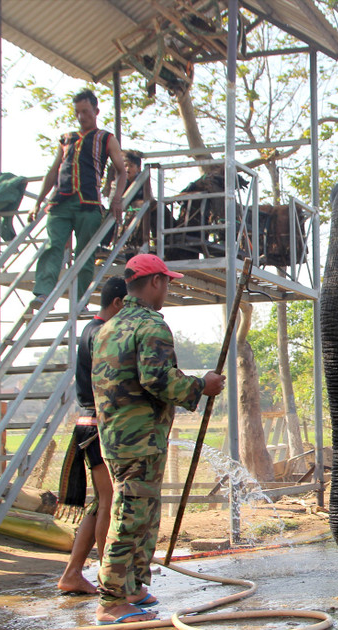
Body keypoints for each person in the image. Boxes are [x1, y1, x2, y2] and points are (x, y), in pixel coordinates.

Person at [91, 253, 225, 625]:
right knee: (131, 516)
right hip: (141, 438)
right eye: (167, 282)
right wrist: (202, 385)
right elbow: (158, 379)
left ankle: (133, 586)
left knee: (142, 513)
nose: (168, 288)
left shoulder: (108, 327)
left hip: (117, 437)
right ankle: (112, 600)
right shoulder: (151, 326)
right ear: (155, 283)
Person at [57, 277, 127, 595]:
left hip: (88, 423)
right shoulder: (103, 334)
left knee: (101, 501)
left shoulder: (89, 330)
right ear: (118, 304)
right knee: (109, 500)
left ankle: (74, 573)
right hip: (98, 425)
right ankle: (107, 575)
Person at [27, 89, 127, 310]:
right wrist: (38, 202)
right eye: (78, 112)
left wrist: (116, 199)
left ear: (96, 111)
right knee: (53, 246)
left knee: (85, 252)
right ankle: (43, 293)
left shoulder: (105, 138)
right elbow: (53, 171)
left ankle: (80, 300)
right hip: (60, 202)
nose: (81, 117)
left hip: (89, 203)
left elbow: (122, 171)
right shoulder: (66, 139)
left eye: (86, 111)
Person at [101, 150, 153, 257]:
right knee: (110, 213)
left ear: (138, 168)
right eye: (125, 166)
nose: (127, 169)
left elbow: (150, 199)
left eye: (131, 166)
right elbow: (112, 202)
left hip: (138, 215)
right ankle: (104, 244)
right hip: (123, 211)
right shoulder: (117, 182)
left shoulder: (143, 180)